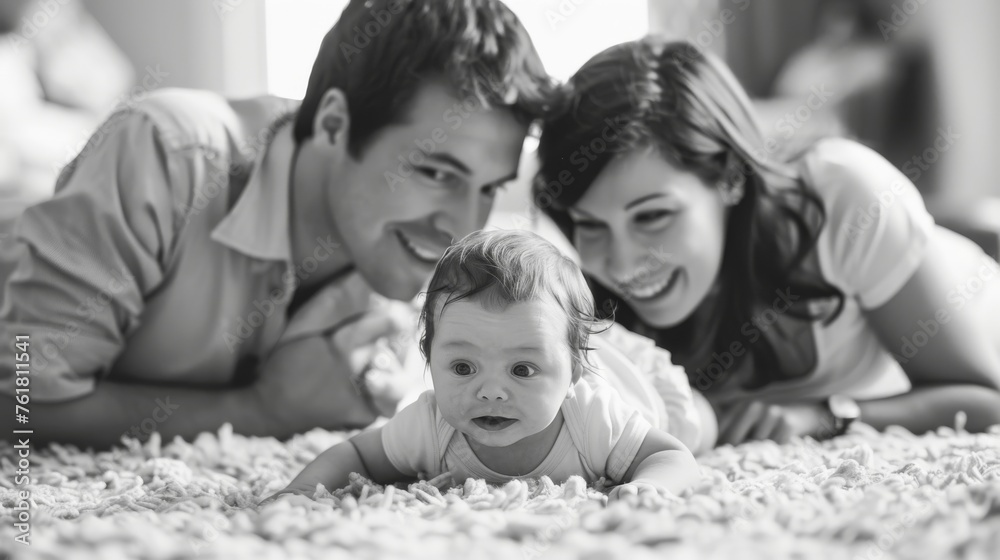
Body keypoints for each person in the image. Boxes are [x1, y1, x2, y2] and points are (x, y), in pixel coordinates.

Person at [0, 0, 555, 448]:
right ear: (335, 123)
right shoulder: (165, 152)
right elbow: (18, 404)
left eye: (488, 188)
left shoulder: (401, 256)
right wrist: (263, 411)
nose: (461, 226)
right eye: (436, 171)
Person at [533, 37, 1000, 447]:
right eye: (590, 225)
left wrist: (825, 415)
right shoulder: (578, 285)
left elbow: (986, 403)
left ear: (731, 177)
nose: (620, 262)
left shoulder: (847, 197)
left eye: (653, 216)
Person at [265, 230, 701, 503]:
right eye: (462, 367)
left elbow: (669, 455)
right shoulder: (432, 422)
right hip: (578, 348)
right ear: (429, 359)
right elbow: (356, 452)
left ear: (572, 375)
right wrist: (301, 491)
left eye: (523, 370)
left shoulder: (592, 418)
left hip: (639, 381)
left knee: (695, 423)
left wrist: (651, 488)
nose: (490, 391)